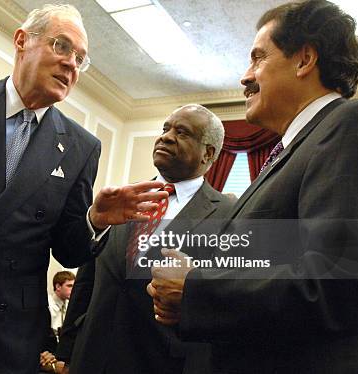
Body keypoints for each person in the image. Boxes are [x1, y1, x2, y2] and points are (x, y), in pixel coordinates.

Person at [0, 4, 167, 373]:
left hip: (4, 329)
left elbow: (68, 249)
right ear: (22, 41)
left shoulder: (81, 145)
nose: (72, 63)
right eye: (62, 46)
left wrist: (94, 219)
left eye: (81, 58)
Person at [148, 1, 358, 373]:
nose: (245, 76)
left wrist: (195, 289)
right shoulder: (292, 150)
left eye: (257, 59)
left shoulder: (351, 123)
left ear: (304, 60)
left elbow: (339, 287)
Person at [57, 105, 237, 374]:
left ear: (208, 153)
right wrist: (68, 347)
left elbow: (222, 301)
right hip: (91, 355)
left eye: (182, 132)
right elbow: (87, 277)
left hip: (163, 360)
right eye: (165, 129)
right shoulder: (123, 199)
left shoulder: (229, 213)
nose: (165, 137)